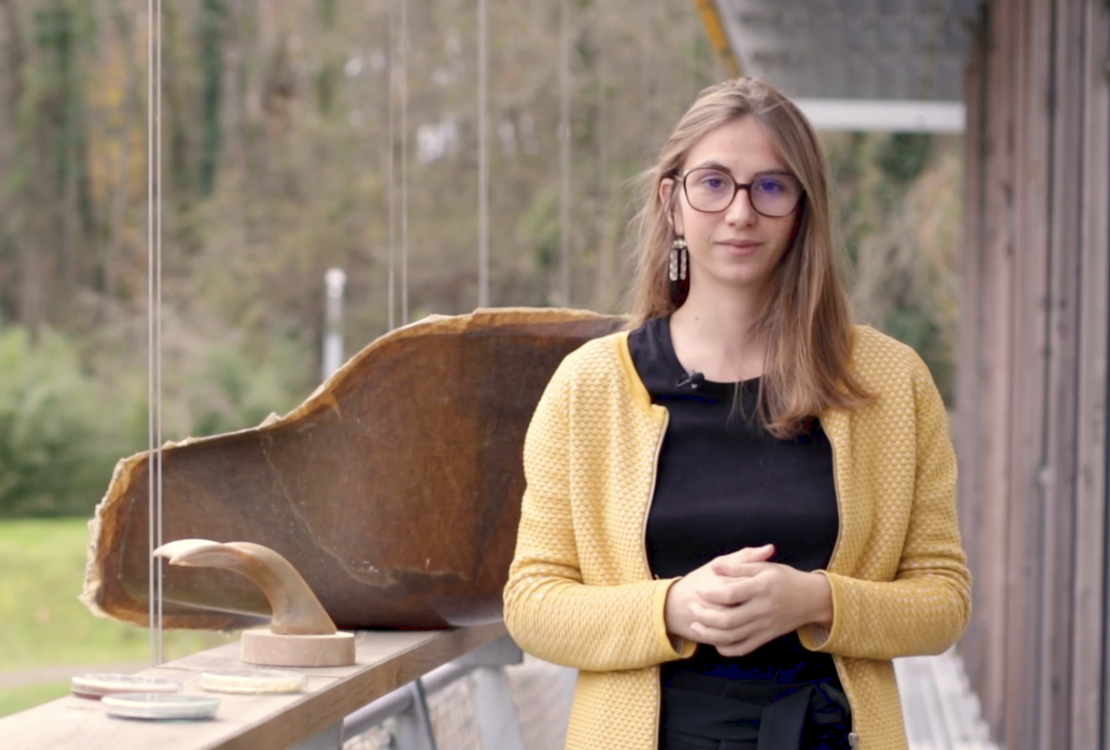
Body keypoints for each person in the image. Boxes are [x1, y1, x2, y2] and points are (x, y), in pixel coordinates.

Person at [503, 77, 971, 750]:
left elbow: (944, 601)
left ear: (803, 209)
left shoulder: (890, 384)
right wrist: (672, 608)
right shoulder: (590, 388)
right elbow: (533, 603)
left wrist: (817, 600)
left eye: (771, 187)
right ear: (673, 201)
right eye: (714, 182)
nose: (740, 212)